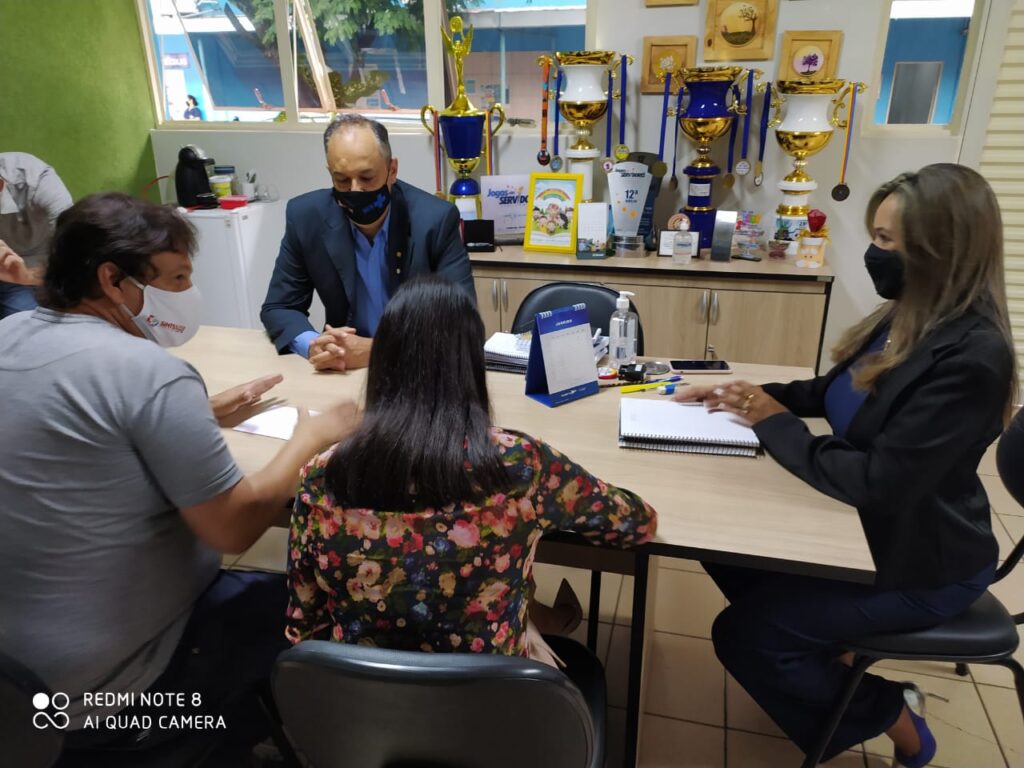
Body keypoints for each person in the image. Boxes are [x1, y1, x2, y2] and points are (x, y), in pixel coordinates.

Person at [674, 164, 1018, 767]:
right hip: (870, 533)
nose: (873, 253)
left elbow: (877, 482)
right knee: (723, 545)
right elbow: (830, 393)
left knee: (746, 635)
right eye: (876, 237)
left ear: (941, 250)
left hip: (920, 563)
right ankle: (826, 661)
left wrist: (767, 418)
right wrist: (743, 391)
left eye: (887, 240)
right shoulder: (907, 315)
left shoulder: (974, 358)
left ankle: (893, 717)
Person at [0, 192, 358, 762]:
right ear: (113, 279)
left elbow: (80, 428)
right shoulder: (149, 373)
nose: (187, 296)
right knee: (319, 600)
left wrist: (197, 415)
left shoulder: (10, 336)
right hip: (115, 691)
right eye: (174, 279)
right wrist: (312, 436)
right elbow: (234, 527)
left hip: (18, 685)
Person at [285, 276, 656, 665]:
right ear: (471, 364)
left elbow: (304, 631)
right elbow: (636, 522)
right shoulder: (518, 464)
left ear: (381, 364)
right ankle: (550, 619)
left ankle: (546, 618)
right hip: (489, 714)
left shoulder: (322, 476)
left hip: (366, 712)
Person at [260, 114, 475, 373]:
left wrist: (375, 351)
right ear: (330, 174)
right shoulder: (306, 217)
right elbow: (280, 307)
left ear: (392, 171)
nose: (355, 190)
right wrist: (314, 345)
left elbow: (461, 321)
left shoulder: (434, 220)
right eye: (342, 180)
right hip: (345, 369)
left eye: (366, 177)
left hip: (419, 370)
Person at [0, 152, 72, 318]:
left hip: (39, 271)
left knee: (29, 326)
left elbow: (76, 262)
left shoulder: (37, 180)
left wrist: (27, 276)